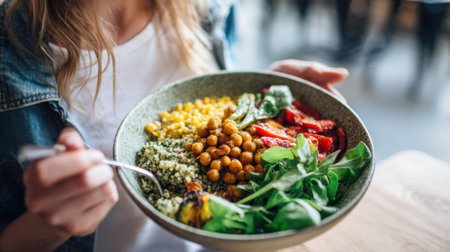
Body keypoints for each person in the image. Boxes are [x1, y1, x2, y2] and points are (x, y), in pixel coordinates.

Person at [0, 0, 348, 251]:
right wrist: (46, 228)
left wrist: (271, 99)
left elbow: (220, 105)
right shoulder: (10, 57)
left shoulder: (211, 8)